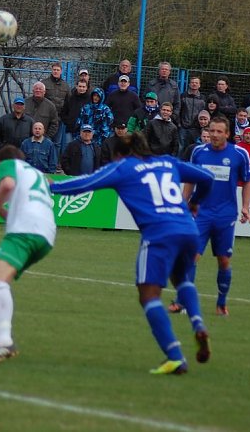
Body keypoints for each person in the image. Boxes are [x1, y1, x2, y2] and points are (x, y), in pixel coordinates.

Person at [51, 132, 214, 375]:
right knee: (181, 279)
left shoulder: (124, 167)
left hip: (159, 234)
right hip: (189, 230)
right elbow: (208, 177)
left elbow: (86, 183)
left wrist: (52, 186)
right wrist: (195, 202)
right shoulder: (167, 161)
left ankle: (175, 357)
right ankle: (198, 324)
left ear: (120, 154)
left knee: (148, 296)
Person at [0, 145, 56, 364]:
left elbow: (7, 184)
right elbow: (15, 213)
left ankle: (3, 340)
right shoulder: (36, 173)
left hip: (26, 230)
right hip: (46, 235)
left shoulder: (8, 163)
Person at [178, 116, 250, 316]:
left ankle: (221, 303)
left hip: (225, 216)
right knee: (191, 257)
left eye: (219, 131)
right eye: (212, 131)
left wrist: (246, 207)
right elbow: (190, 180)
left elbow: (247, 181)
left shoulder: (239, 154)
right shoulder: (198, 152)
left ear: (227, 134)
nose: (214, 135)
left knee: (224, 261)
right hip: (200, 213)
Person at [41, 62, 70, 153]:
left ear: (61, 71)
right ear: (51, 70)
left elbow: (68, 102)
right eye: (54, 69)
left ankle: (55, 160)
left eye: (58, 70)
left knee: (57, 143)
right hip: (46, 118)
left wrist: (64, 116)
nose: (56, 71)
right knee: (45, 140)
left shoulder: (65, 85)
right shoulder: (44, 83)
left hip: (59, 119)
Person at [179, 76, 206, 154]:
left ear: (199, 85)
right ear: (189, 84)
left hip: (196, 128)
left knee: (195, 148)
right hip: (183, 127)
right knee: (181, 148)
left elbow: (204, 112)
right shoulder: (183, 96)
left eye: (196, 83)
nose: (194, 84)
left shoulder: (203, 98)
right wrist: (179, 123)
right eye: (192, 82)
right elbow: (179, 110)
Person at [60, 80, 91, 146]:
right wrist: (68, 121)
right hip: (70, 129)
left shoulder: (90, 100)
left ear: (86, 88)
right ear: (76, 87)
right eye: (80, 86)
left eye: (83, 87)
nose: (81, 88)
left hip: (84, 130)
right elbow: (63, 112)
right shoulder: (70, 98)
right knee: (69, 147)